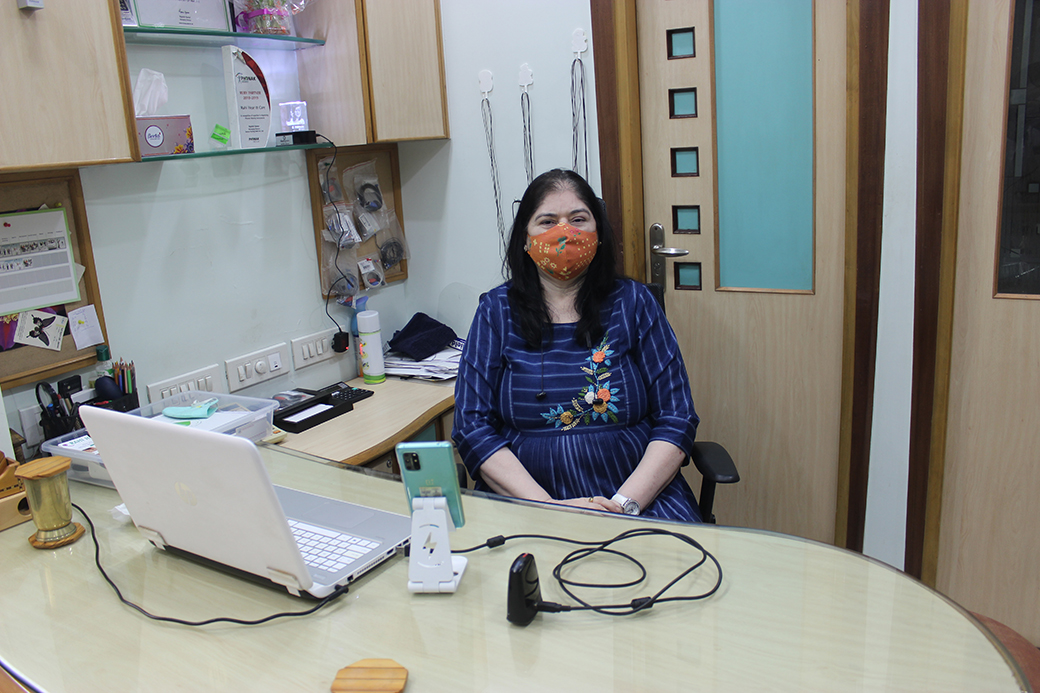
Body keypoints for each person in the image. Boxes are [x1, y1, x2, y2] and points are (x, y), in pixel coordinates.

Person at [452, 169, 702, 522]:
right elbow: (471, 426)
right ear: (525, 238)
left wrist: (623, 505)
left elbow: (677, 416)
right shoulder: (496, 311)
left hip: (637, 499)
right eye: (547, 221)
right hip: (527, 502)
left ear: (598, 235)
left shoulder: (635, 303)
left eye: (578, 219)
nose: (564, 233)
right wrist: (548, 509)